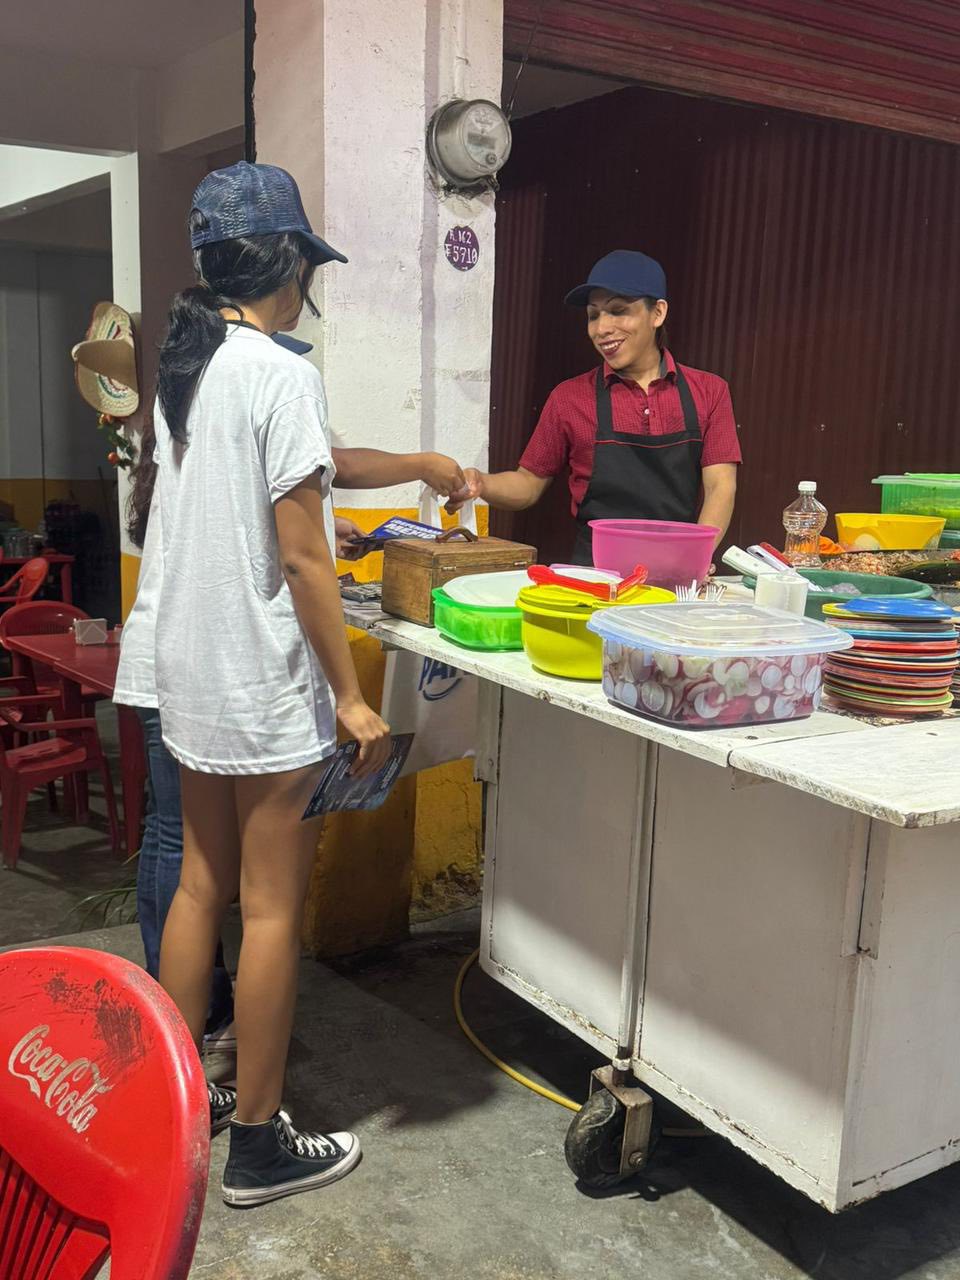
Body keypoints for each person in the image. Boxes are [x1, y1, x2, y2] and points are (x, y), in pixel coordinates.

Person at [147, 159, 409, 1209]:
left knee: (198, 889)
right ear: (289, 263)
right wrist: (350, 696)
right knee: (267, 912)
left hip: (191, 670)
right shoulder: (280, 373)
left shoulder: (188, 368)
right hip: (260, 683)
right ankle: (257, 1144)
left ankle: (177, 1113)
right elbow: (305, 558)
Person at [115, 415, 466, 1082]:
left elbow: (251, 526)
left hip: (179, 664)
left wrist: (326, 524)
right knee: (259, 900)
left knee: (192, 872)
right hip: (222, 674)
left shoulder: (190, 405)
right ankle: (240, 1092)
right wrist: (349, 696)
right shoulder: (260, 385)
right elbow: (304, 542)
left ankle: (179, 1066)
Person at [452, 251, 741, 565]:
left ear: (657, 313)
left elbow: (720, 487)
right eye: (593, 315)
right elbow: (528, 485)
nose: (601, 328)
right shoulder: (570, 398)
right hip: (594, 575)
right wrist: (481, 483)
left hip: (674, 570)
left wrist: (694, 558)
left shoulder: (709, 391)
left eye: (618, 311)